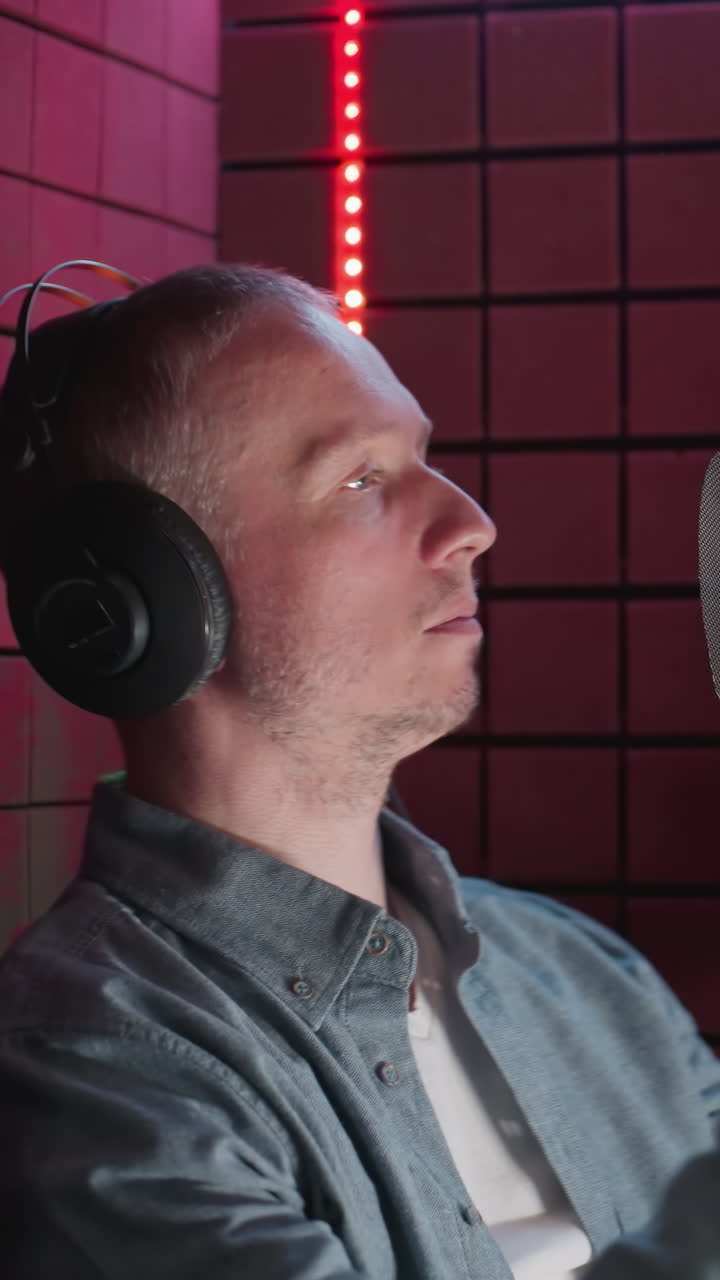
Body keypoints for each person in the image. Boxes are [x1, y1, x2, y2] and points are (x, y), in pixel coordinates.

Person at [0, 263, 717, 1280]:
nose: (471, 522)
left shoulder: (594, 982)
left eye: (421, 457)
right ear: (152, 597)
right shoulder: (88, 1073)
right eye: (361, 480)